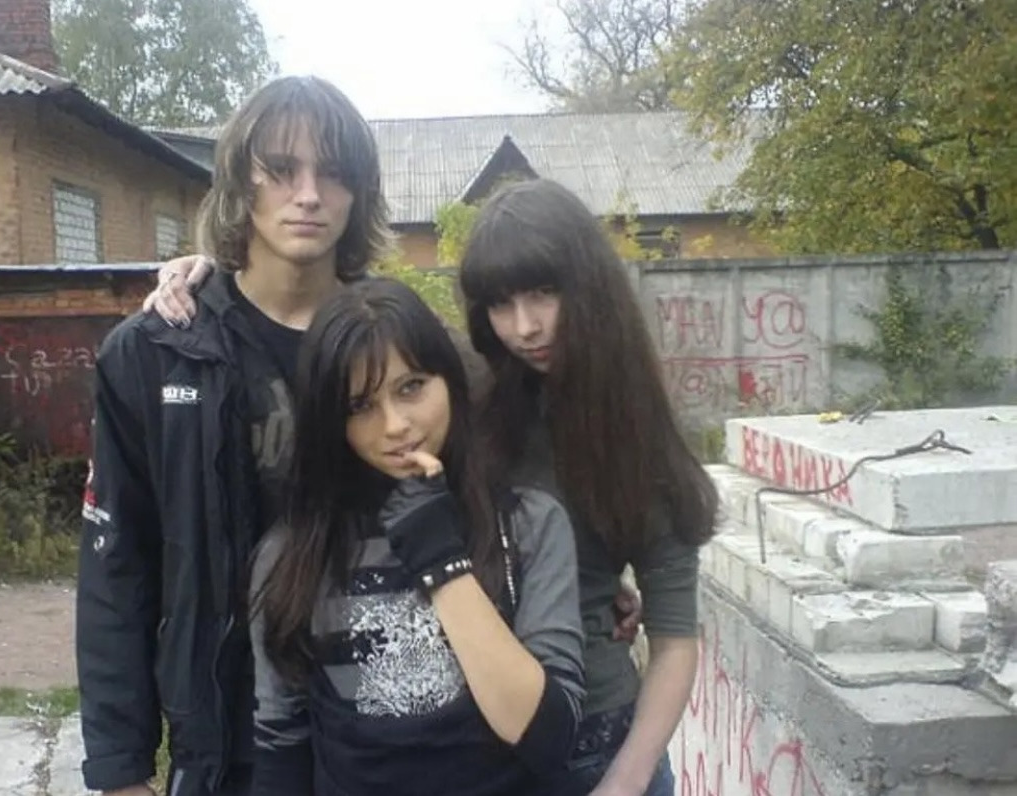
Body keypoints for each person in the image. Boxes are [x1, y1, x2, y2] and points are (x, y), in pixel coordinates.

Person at [75, 75, 387, 796]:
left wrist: (595, 583)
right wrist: (120, 768)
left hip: (381, 728)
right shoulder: (154, 353)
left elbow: (482, 497)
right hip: (227, 740)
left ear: (358, 192)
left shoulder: (396, 345)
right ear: (241, 182)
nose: (308, 194)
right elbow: (117, 565)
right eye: (281, 169)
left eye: (332, 172)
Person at [247, 277, 585, 795]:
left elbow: (547, 736)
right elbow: (281, 742)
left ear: (449, 380)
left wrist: (441, 560)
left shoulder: (527, 525)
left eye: (412, 387)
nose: (395, 425)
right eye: (360, 406)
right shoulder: (294, 555)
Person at [459, 178, 718, 795]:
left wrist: (624, 781)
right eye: (500, 304)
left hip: (598, 747)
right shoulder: (467, 406)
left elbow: (675, 640)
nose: (524, 327)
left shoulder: (639, 439)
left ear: (590, 286)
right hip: (471, 745)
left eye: (543, 293)